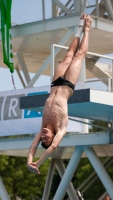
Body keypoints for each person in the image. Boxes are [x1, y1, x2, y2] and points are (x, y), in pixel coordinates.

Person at [27, 14, 92, 174]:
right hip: (68, 85)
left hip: (55, 84)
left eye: (42, 139)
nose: (43, 137)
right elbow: (54, 146)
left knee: (68, 55)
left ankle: (78, 27)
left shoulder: (42, 127)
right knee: (78, 56)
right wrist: (39, 163)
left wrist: (30, 162)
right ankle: (87, 29)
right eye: (46, 139)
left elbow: (32, 146)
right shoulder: (61, 128)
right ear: (53, 137)